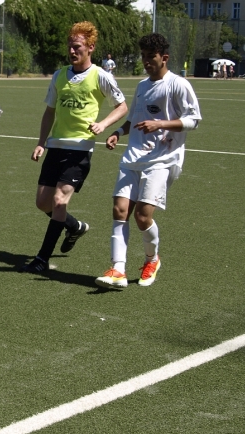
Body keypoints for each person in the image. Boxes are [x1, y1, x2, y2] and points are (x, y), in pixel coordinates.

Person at [95, 33, 201, 289]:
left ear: (164, 58)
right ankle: (117, 269)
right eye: (143, 56)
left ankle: (152, 260)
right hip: (133, 157)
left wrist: (161, 124)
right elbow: (133, 118)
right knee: (120, 210)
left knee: (142, 216)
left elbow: (193, 120)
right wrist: (118, 133)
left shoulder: (178, 84)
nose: (145, 61)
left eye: (150, 56)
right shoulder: (142, 86)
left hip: (162, 159)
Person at [20, 21, 128, 273]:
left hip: (80, 149)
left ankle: (42, 258)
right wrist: (41, 142)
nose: (72, 51)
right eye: (70, 46)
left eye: (77, 46)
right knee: (43, 203)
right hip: (55, 146)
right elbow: (49, 111)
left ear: (91, 47)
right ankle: (75, 227)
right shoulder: (59, 75)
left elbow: (122, 107)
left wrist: (103, 124)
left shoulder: (101, 76)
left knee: (59, 201)